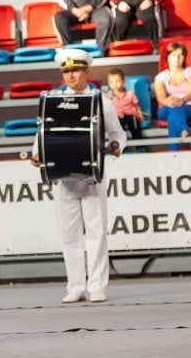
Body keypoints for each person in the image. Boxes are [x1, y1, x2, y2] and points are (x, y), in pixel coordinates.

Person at [29, 50, 126, 304]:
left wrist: (115, 147)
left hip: (91, 176)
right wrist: (36, 154)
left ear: (87, 72)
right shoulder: (53, 100)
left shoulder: (101, 101)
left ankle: (97, 285)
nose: (70, 74)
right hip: (64, 177)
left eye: (75, 70)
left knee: (96, 232)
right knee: (69, 234)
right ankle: (75, 285)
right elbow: (43, 133)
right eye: (66, 71)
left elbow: (118, 135)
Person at [154, 41, 191, 150]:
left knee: (172, 116)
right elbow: (160, 98)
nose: (177, 58)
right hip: (168, 106)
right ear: (168, 57)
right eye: (173, 55)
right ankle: (183, 129)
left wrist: (182, 100)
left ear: (184, 57)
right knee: (173, 109)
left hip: (188, 105)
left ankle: (173, 151)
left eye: (180, 55)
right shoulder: (160, 77)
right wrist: (169, 102)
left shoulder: (190, 72)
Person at [106, 68, 143, 141]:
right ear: (109, 84)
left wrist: (140, 114)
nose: (115, 84)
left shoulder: (130, 93)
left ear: (123, 81)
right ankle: (120, 145)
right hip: (118, 116)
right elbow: (108, 109)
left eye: (117, 81)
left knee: (135, 126)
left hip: (130, 115)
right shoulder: (109, 95)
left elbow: (136, 105)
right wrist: (116, 112)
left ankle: (140, 146)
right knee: (117, 126)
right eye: (112, 82)